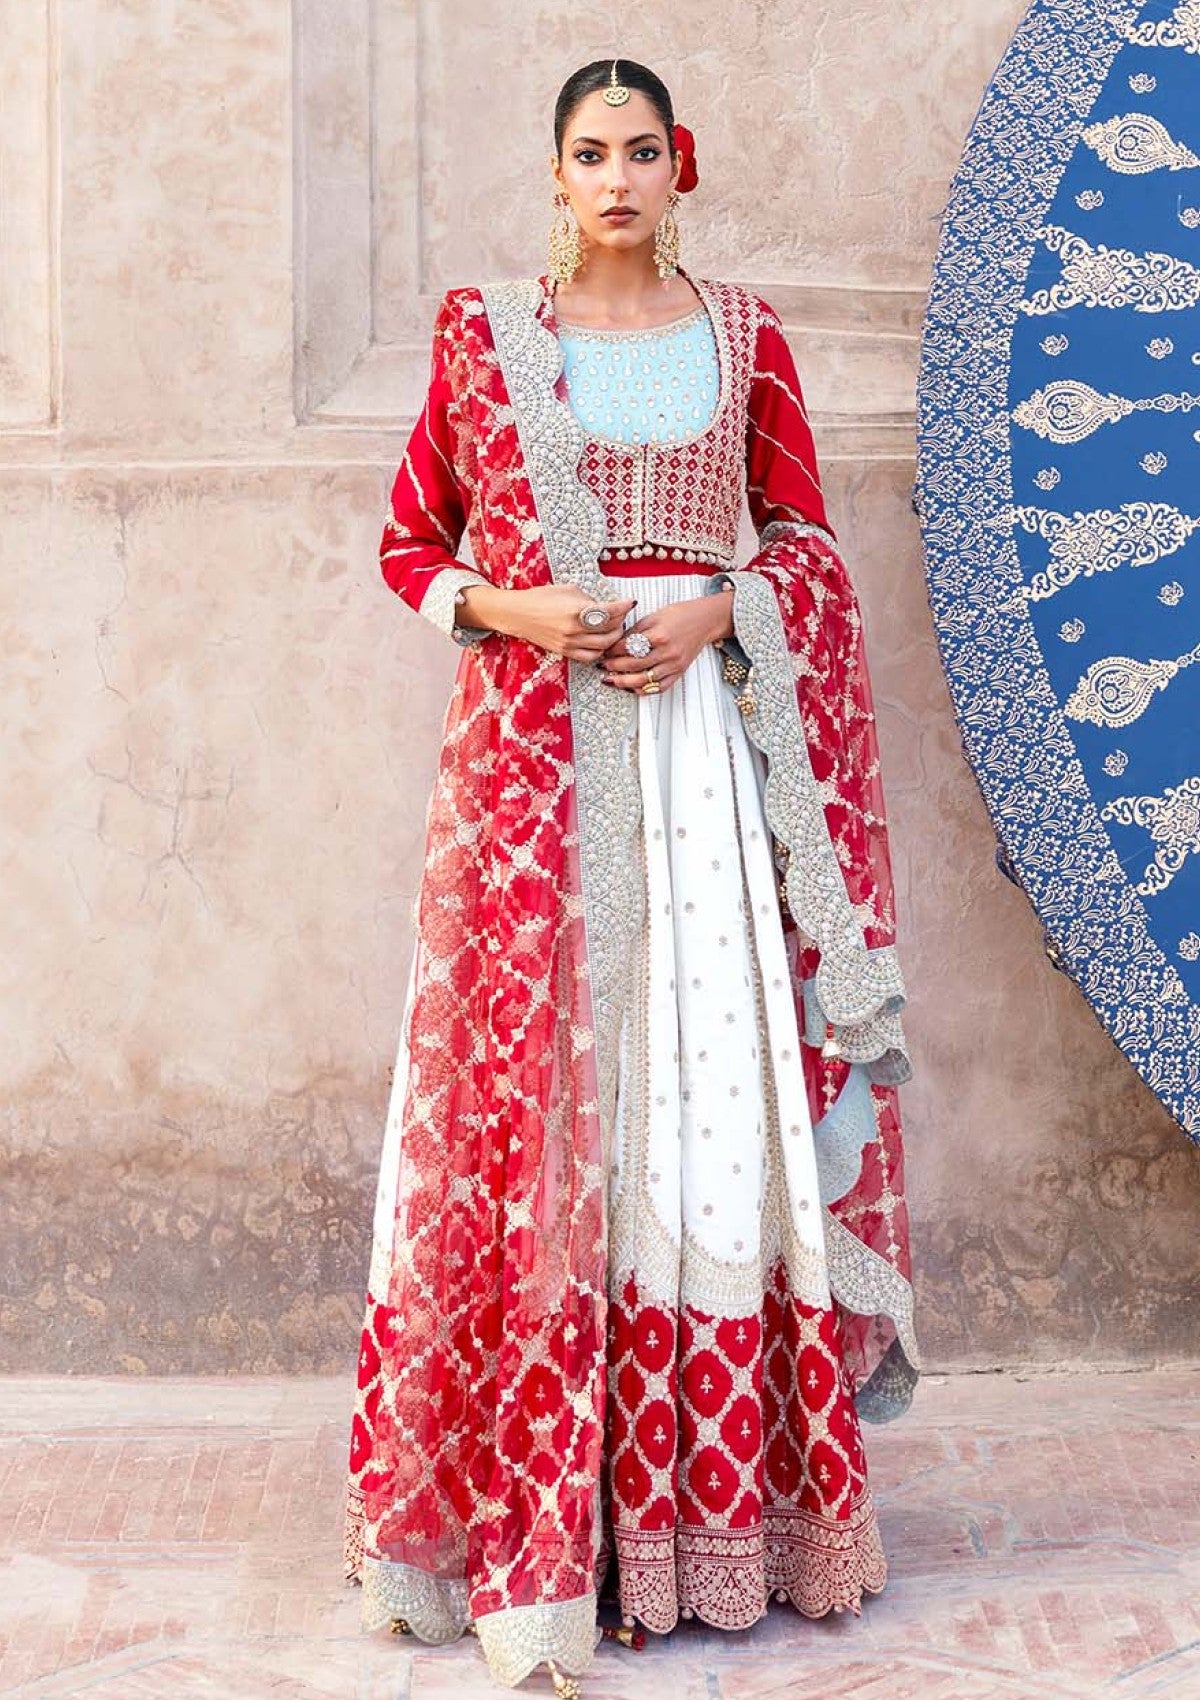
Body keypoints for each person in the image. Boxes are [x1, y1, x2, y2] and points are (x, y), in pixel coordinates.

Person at [342, 56, 918, 1697]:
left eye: (641, 151)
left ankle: (710, 1520)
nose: (616, 176)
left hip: (711, 775)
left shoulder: (745, 338)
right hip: (533, 783)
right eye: (590, 152)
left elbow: (806, 548)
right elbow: (409, 546)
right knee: (535, 1113)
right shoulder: (485, 339)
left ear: (682, 167)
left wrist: (722, 609)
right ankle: (541, 1522)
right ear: (556, 173)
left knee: (707, 1112)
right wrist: (516, 612)